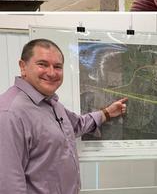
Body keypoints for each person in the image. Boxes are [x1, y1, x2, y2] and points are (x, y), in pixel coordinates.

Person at [0, 39, 128, 194]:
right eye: (42, 64)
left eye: (58, 67)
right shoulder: (9, 113)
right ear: (23, 67)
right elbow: (9, 185)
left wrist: (107, 113)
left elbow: (76, 125)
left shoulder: (50, 103)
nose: (52, 73)